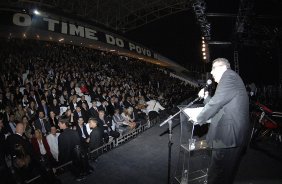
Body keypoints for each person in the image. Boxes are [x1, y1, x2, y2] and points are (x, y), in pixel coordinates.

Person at [194, 58, 249, 184]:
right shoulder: (230, 79)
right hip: (227, 137)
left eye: (213, 69)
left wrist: (198, 118)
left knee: (218, 176)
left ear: (222, 67)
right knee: (221, 175)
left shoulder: (229, 76)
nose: (211, 73)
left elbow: (216, 103)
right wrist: (206, 96)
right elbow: (220, 106)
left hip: (229, 137)